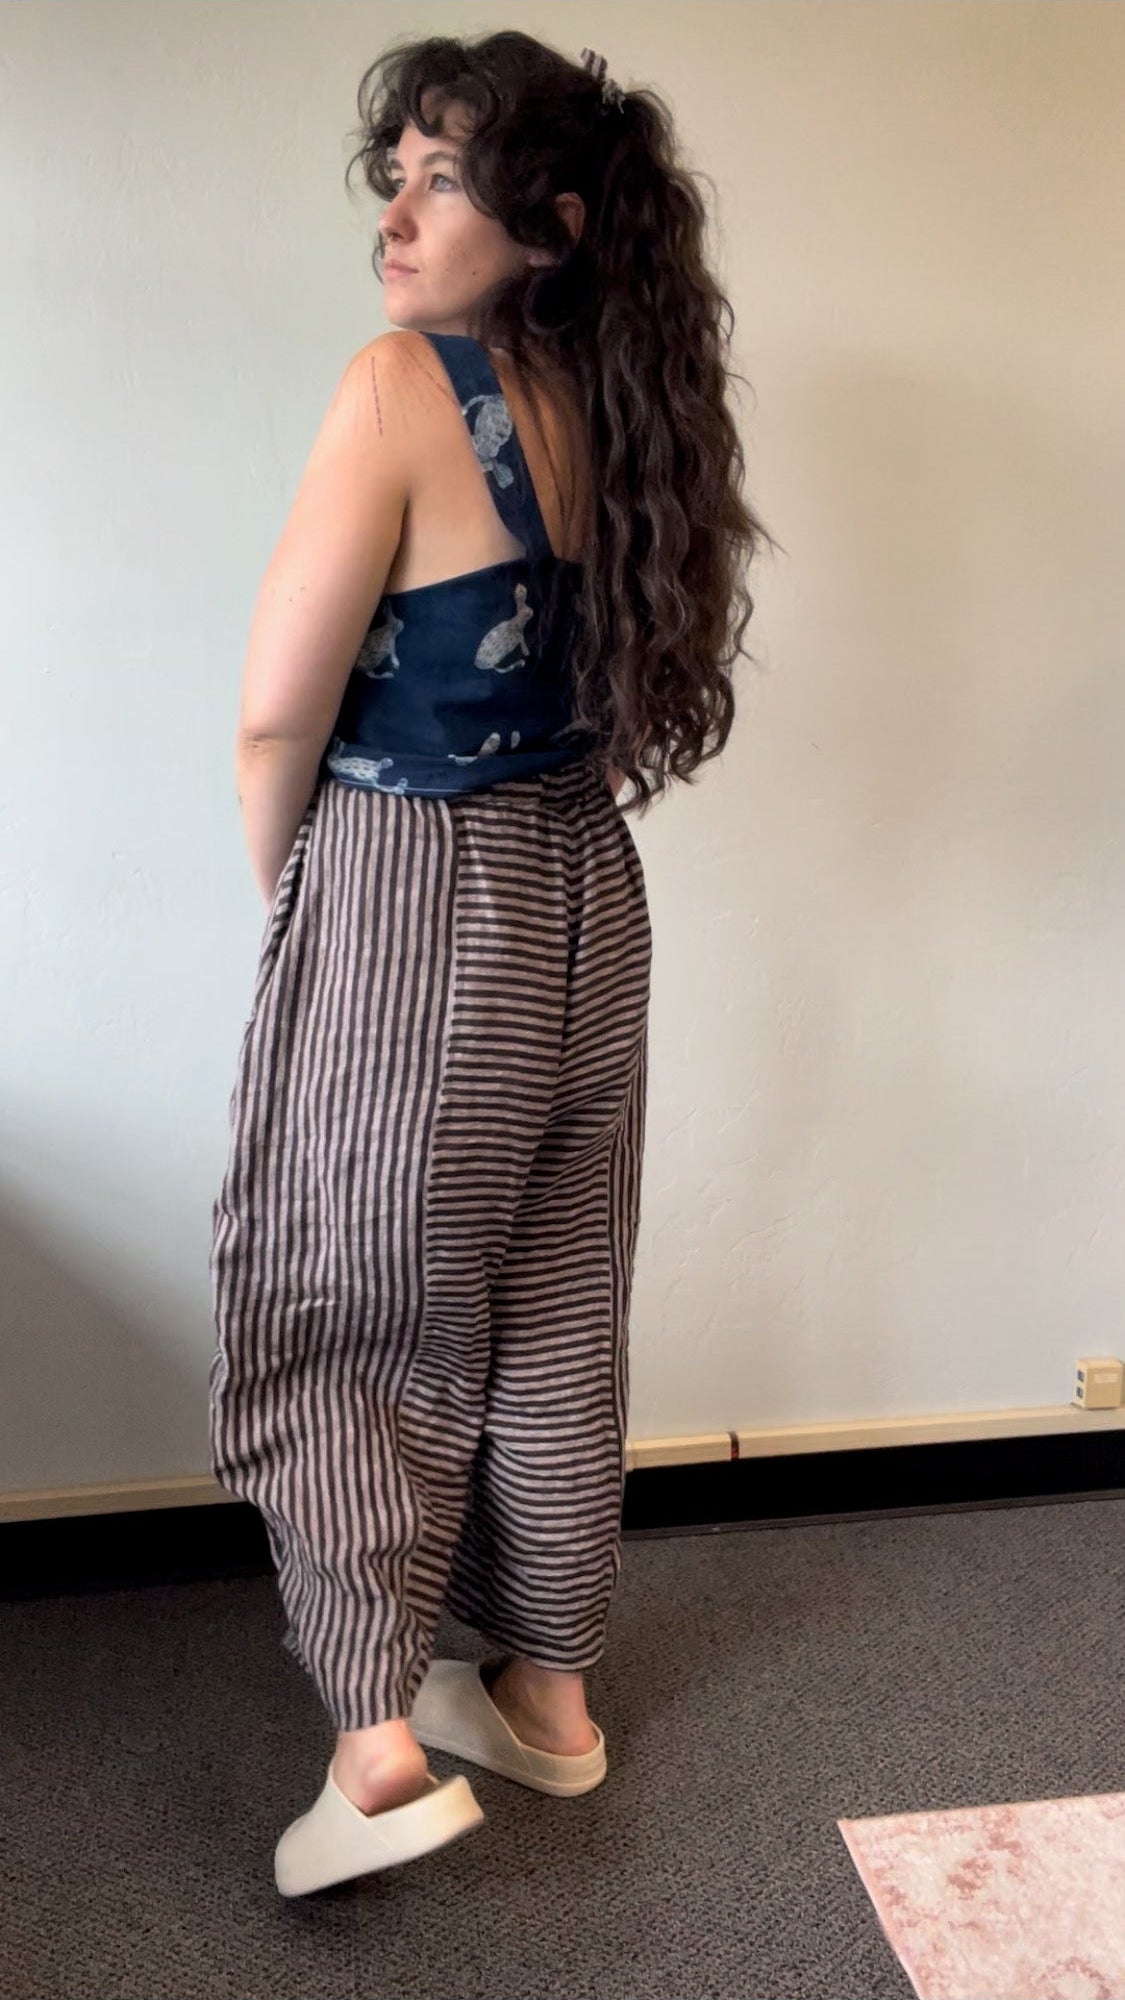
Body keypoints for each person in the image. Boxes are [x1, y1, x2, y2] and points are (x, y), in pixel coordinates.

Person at [207, 29, 778, 1898]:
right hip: (581, 891)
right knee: (548, 1301)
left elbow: (275, 717)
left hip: (412, 879)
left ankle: (374, 1749)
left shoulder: (401, 387)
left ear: (551, 224)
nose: (395, 211)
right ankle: (546, 1694)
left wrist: (302, 900)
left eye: (441, 180)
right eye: (394, 174)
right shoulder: (629, 407)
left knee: (351, 1298)